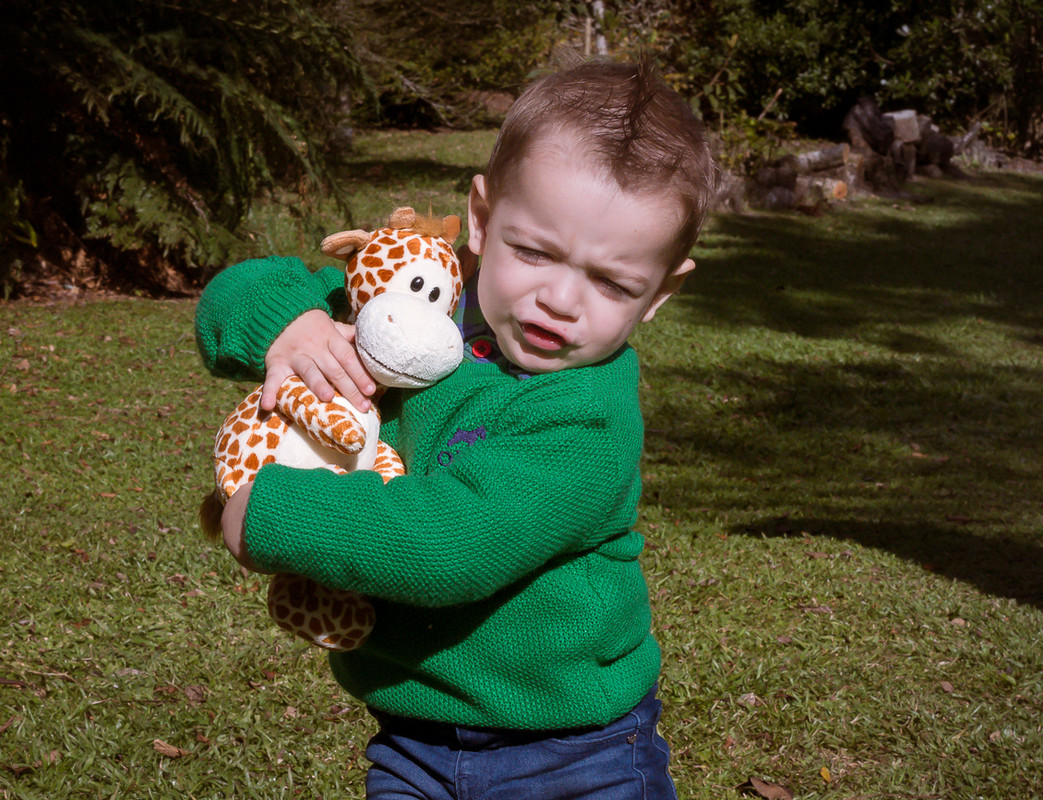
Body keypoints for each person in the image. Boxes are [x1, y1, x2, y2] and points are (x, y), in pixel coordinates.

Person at [194, 56, 717, 800]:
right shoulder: (423, 302)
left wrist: (274, 514)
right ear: (481, 218)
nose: (559, 299)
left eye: (611, 282)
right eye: (532, 251)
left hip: (574, 753)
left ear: (659, 292)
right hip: (412, 739)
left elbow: (450, 544)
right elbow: (232, 294)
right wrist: (295, 324)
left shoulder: (587, 416)